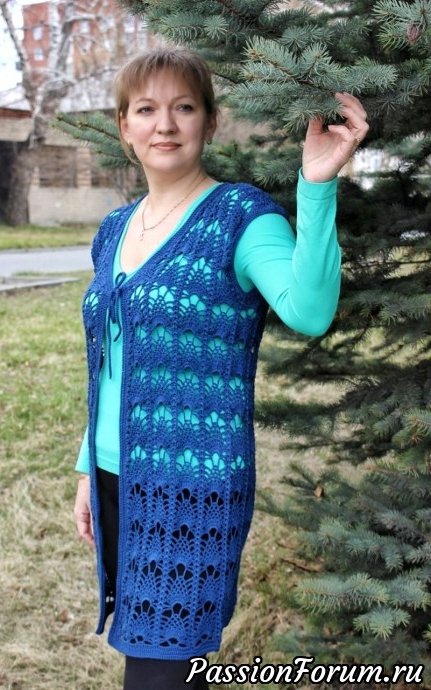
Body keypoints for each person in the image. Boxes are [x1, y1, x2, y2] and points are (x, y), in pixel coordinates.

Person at [73, 47, 369, 690]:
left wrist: (317, 185)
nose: (165, 124)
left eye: (183, 107)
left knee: (160, 671)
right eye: (146, 110)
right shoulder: (115, 228)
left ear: (209, 122)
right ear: (124, 126)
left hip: (191, 486)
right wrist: (86, 470)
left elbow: (309, 310)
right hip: (116, 477)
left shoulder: (240, 217)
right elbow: (110, 364)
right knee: (157, 661)